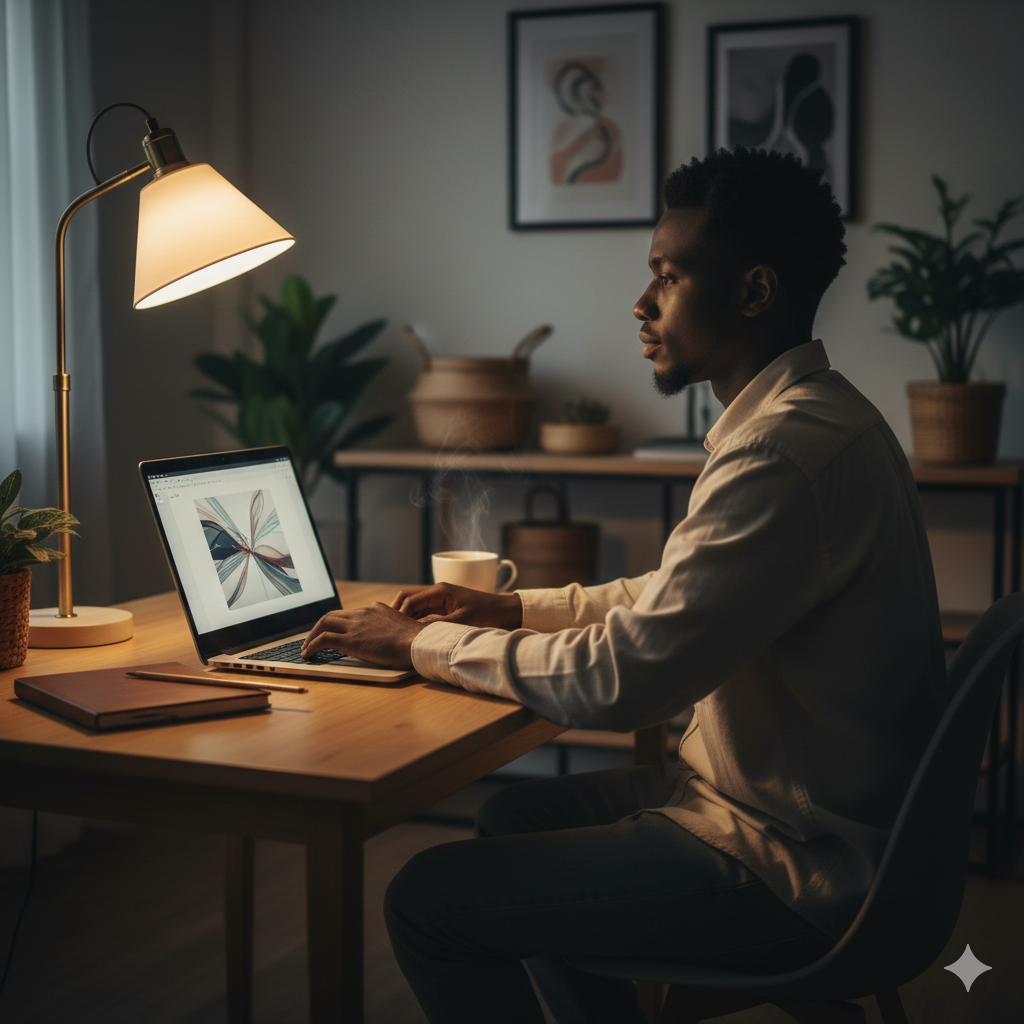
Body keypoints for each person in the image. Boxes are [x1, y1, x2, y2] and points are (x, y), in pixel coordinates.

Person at [301, 147, 947, 1024]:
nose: (641, 304)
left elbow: (627, 679)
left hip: (790, 862)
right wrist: (510, 606)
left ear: (755, 293)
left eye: (669, 277)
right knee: (512, 824)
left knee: (425, 899)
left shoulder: (779, 456)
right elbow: (678, 596)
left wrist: (419, 642)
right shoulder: (822, 419)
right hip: (809, 822)